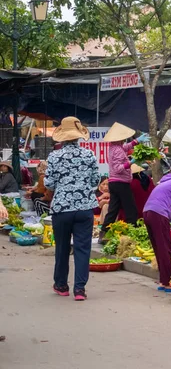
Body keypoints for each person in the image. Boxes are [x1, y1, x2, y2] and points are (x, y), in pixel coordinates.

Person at [44, 117, 100, 301]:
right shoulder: (89, 155)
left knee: (62, 248)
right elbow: (94, 182)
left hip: (62, 209)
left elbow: (49, 184)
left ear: (62, 136)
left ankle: (61, 285)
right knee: (82, 248)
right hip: (85, 208)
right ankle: (79, 290)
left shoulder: (54, 156)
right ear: (78, 136)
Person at [99, 122, 149, 244]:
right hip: (121, 183)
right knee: (131, 209)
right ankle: (132, 234)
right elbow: (118, 168)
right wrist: (131, 162)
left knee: (113, 209)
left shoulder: (114, 147)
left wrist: (136, 141)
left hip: (114, 183)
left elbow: (125, 148)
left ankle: (104, 233)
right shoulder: (117, 150)